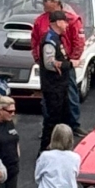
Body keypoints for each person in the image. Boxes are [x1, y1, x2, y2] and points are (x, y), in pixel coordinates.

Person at [31, 0, 86, 128]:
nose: (43, 3)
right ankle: (50, 125)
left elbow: (78, 42)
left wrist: (71, 61)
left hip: (65, 65)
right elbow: (34, 41)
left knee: (71, 94)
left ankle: (73, 125)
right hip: (49, 68)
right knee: (48, 98)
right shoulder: (40, 21)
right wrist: (39, 59)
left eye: (46, 1)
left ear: (55, 2)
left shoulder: (72, 20)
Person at [37, 11, 75, 151]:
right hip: (53, 88)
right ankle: (44, 150)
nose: (66, 25)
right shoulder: (50, 40)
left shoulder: (56, 38)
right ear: (58, 22)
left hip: (60, 86)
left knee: (63, 118)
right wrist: (69, 65)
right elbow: (49, 63)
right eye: (65, 22)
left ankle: (61, 148)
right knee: (52, 121)